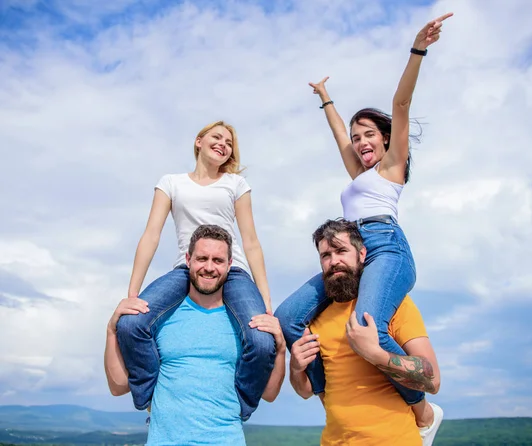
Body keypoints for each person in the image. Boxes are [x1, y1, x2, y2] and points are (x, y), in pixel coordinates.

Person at [275, 12, 452, 431]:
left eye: (368, 134)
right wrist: (324, 97)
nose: (360, 142)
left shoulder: (393, 166)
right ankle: (326, 395)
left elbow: (401, 104)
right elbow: (338, 136)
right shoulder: (359, 175)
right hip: (352, 249)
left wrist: (418, 49)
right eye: (357, 138)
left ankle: (421, 409)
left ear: (386, 138)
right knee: (287, 318)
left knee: (364, 326)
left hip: (386, 247)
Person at [116, 121, 276, 421]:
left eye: (229, 142)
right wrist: (132, 294)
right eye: (217, 137)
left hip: (233, 270)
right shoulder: (171, 183)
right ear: (199, 141)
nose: (223, 144)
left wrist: (266, 299)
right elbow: (151, 234)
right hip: (186, 268)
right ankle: (150, 397)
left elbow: (251, 241)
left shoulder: (236, 185)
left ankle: (239, 405)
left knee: (262, 341)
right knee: (129, 325)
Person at [105, 225, 286, 445]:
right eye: (202, 258)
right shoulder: (158, 319)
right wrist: (112, 330)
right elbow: (118, 386)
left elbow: (269, 394)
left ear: (230, 265)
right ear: (188, 259)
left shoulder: (247, 325)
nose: (209, 267)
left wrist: (280, 350)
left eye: (218, 260)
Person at [289, 219, 442, 445]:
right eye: (326, 255)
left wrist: (376, 354)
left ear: (362, 254)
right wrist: (295, 368)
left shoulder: (396, 306)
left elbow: (433, 381)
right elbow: (305, 391)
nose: (334, 261)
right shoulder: (315, 317)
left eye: (341, 251)